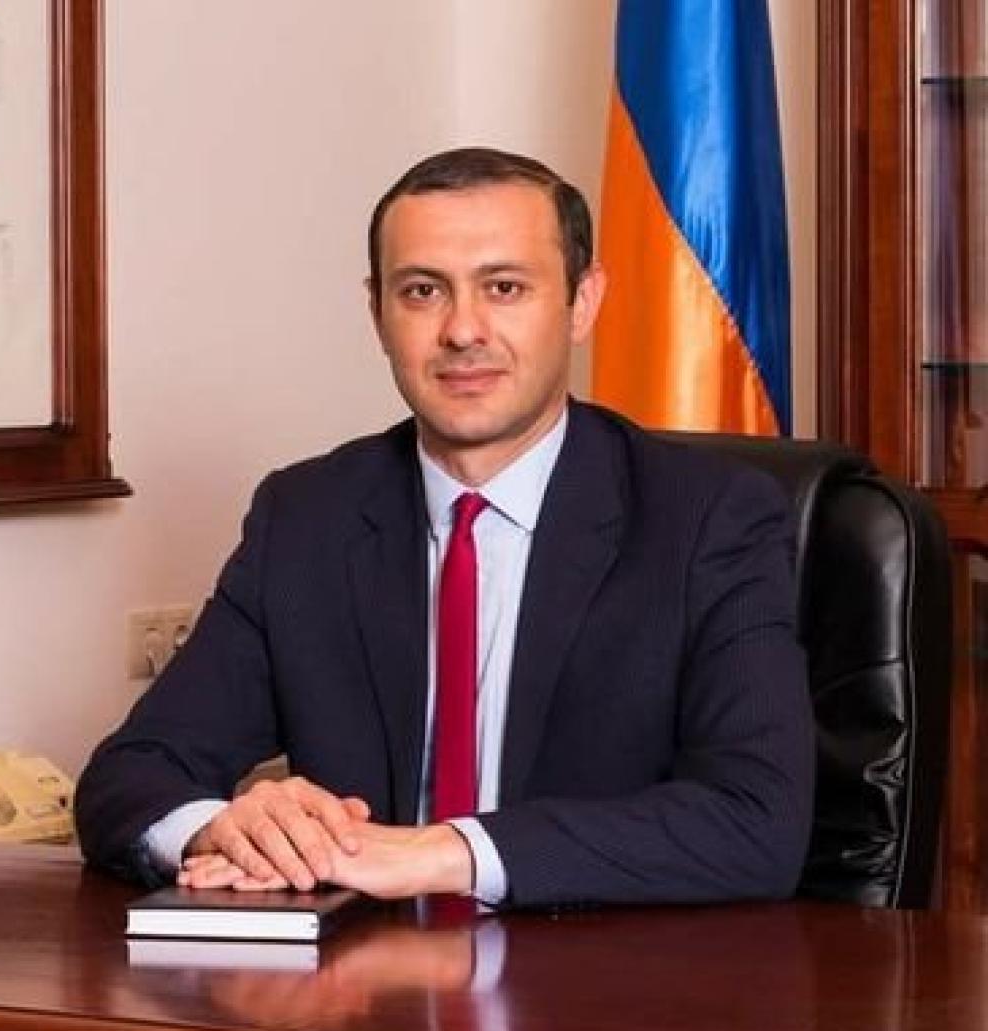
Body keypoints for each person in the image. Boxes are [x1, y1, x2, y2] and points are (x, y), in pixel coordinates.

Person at [76, 147, 814, 908]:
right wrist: (221, 829)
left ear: (582, 302)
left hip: (599, 972)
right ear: (378, 315)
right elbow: (129, 775)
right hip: (364, 972)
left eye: (504, 287)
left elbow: (756, 821)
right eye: (423, 291)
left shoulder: (708, 518)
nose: (463, 330)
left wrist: (444, 853)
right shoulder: (308, 516)